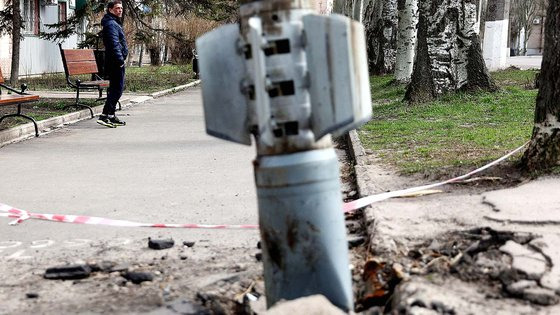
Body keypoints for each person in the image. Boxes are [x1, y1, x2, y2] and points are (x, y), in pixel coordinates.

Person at [97, 0, 128, 128]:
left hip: (115, 61)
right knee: (117, 89)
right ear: (110, 10)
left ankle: (110, 115)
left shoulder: (113, 23)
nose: (119, 10)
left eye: (120, 8)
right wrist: (120, 60)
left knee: (115, 89)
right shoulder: (111, 24)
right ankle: (104, 115)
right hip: (116, 62)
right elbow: (113, 44)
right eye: (116, 8)